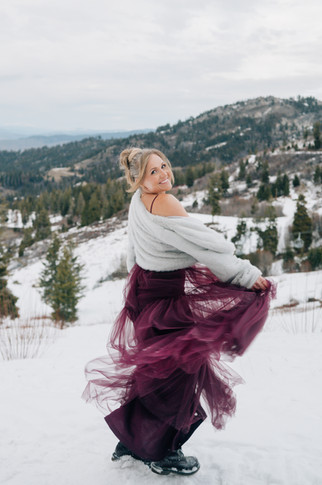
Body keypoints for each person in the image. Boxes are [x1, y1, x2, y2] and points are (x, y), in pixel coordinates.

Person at [81, 147, 276, 476]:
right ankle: (162, 450)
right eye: (153, 172)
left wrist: (133, 289)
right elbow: (207, 248)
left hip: (145, 290)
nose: (163, 175)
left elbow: (134, 247)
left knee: (154, 370)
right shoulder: (165, 202)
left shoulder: (139, 201)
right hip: (164, 298)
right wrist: (246, 275)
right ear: (139, 180)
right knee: (178, 375)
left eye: (164, 166)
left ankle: (131, 439)